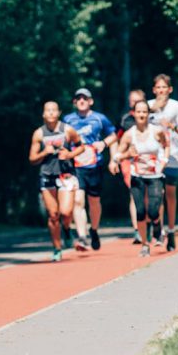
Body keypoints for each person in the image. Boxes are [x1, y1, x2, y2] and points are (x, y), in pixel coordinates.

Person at [29, 101, 85, 261]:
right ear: (43, 114)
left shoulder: (67, 130)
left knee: (66, 212)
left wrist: (69, 155)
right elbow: (32, 159)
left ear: (59, 112)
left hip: (66, 174)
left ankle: (67, 228)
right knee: (53, 215)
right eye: (48, 110)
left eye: (54, 110)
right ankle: (57, 248)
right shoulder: (39, 134)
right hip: (47, 175)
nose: (51, 113)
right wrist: (43, 153)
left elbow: (81, 146)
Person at [63, 88, 118, 251]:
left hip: (95, 165)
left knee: (94, 202)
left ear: (90, 101)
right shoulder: (68, 119)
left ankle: (93, 230)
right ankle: (82, 236)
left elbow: (114, 135)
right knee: (78, 200)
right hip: (76, 165)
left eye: (85, 99)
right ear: (74, 102)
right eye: (78, 98)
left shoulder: (99, 119)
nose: (81, 101)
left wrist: (105, 145)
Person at [113, 99, 169, 256]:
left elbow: (166, 145)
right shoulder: (129, 134)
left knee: (153, 210)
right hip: (137, 176)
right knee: (140, 211)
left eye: (144, 111)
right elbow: (118, 154)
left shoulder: (156, 131)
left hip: (155, 175)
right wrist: (122, 157)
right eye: (139, 112)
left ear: (148, 114)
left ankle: (157, 225)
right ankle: (145, 244)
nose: (142, 114)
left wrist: (164, 160)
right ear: (134, 114)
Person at [147, 74, 178, 252]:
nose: (161, 90)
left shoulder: (177, 107)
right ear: (154, 90)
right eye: (158, 87)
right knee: (155, 195)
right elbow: (131, 124)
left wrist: (172, 127)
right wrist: (151, 111)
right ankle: (158, 228)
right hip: (151, 157)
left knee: (169, 194)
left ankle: (171, 231)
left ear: (170, 89)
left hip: (173, 156)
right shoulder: (147, 106)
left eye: (165, 87)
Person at [110, 89, 147, 244]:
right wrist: (114, 159)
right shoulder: (125, 119)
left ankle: (151, 225)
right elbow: (114, 139)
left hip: (147, 161)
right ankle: (138, 230)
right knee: (134, 193)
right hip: (129, 161)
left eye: (137, 100)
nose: (134, 103)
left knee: (149, 195)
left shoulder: (150, 118)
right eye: (131, 100)